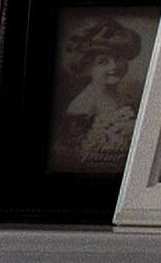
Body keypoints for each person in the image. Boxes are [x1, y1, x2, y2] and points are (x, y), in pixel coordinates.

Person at [51, 16, 146, 175]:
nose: (114, 66)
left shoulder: (128, 96)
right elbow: (66, 153)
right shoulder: (82, 106)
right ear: (88, 67)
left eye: (118, 58)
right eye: (103, 62)